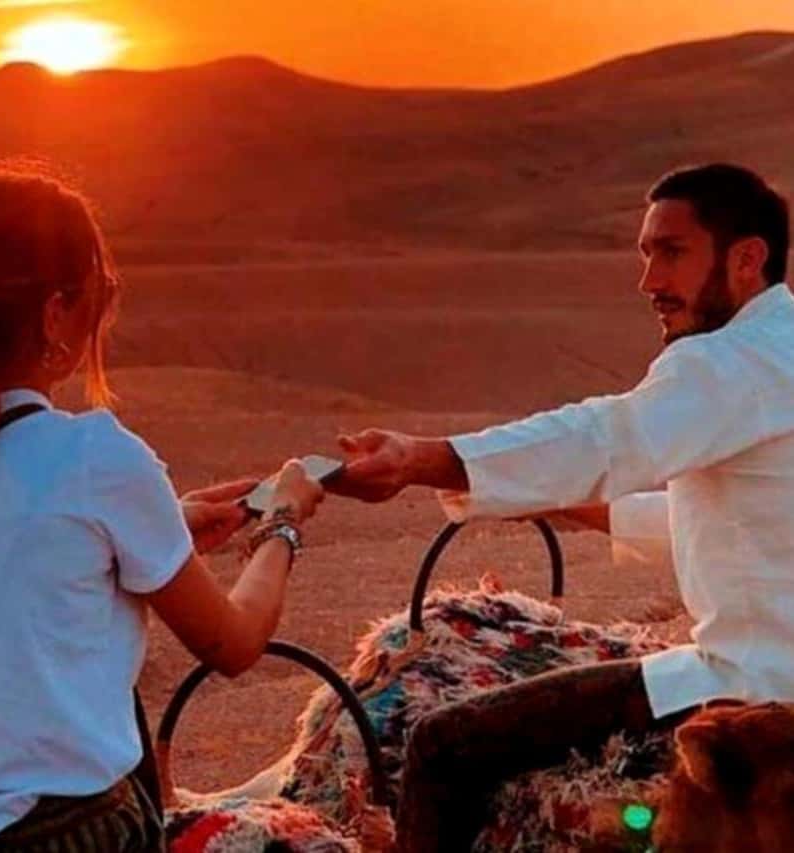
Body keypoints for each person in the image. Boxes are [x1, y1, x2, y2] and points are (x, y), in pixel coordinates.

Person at [329, 163, 794, 851]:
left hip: (754, 684)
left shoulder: (729, 361)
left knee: (441, 744)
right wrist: (551, 499)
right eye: (645, 254)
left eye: (671, 252)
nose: (649, 281)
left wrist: (423, 458)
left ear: (747, 258)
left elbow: (608, 436)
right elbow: (741, 525)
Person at [0, 165, 324, 852]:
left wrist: (163, 522)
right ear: (53, 313)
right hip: (66, 836)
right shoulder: (93, 457)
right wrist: (285, 523)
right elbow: (234, 643)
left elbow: (9, 550)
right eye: (102, 291)